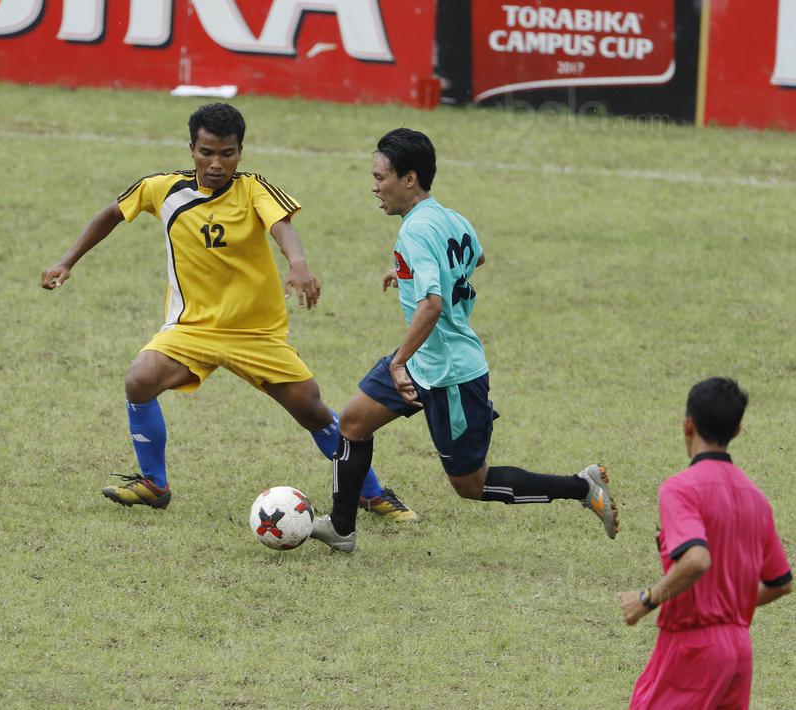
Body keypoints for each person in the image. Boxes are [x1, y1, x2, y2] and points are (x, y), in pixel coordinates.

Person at [40, 103, 413, 520]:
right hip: (192, 329)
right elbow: (111, 213)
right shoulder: (162, 188)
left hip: (255, 334)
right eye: (207, 152)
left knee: (312, 410)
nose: (217, 163)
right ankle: (153, 484)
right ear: (192, 149)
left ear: (240, 151)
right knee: (139, 380)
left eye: (228, 153)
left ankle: (370, 492)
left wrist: (298, 263)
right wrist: (66, 261)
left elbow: (281, 226)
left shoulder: (254, 189)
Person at [309, 128, 619, 552]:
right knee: (353, 423)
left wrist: (398, 362)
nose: (374, 186)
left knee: (471, 484)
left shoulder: (414, 231)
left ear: (409, 179)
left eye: (381, 177)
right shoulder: (451, 218)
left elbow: (432, 305)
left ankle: (582, 487)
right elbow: (477, 255)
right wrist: (404, 270)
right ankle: (342, 527)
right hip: (424, 361)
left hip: (450, 373)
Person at [618, 377, 791, 708]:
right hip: (739, 650)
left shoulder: (681, 488)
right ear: (737, 431)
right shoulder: (756, 498)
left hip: (692, 649)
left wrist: (647, 598)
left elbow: (697, 559)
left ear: (687, 424)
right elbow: (780, 583)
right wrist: (731, 605)